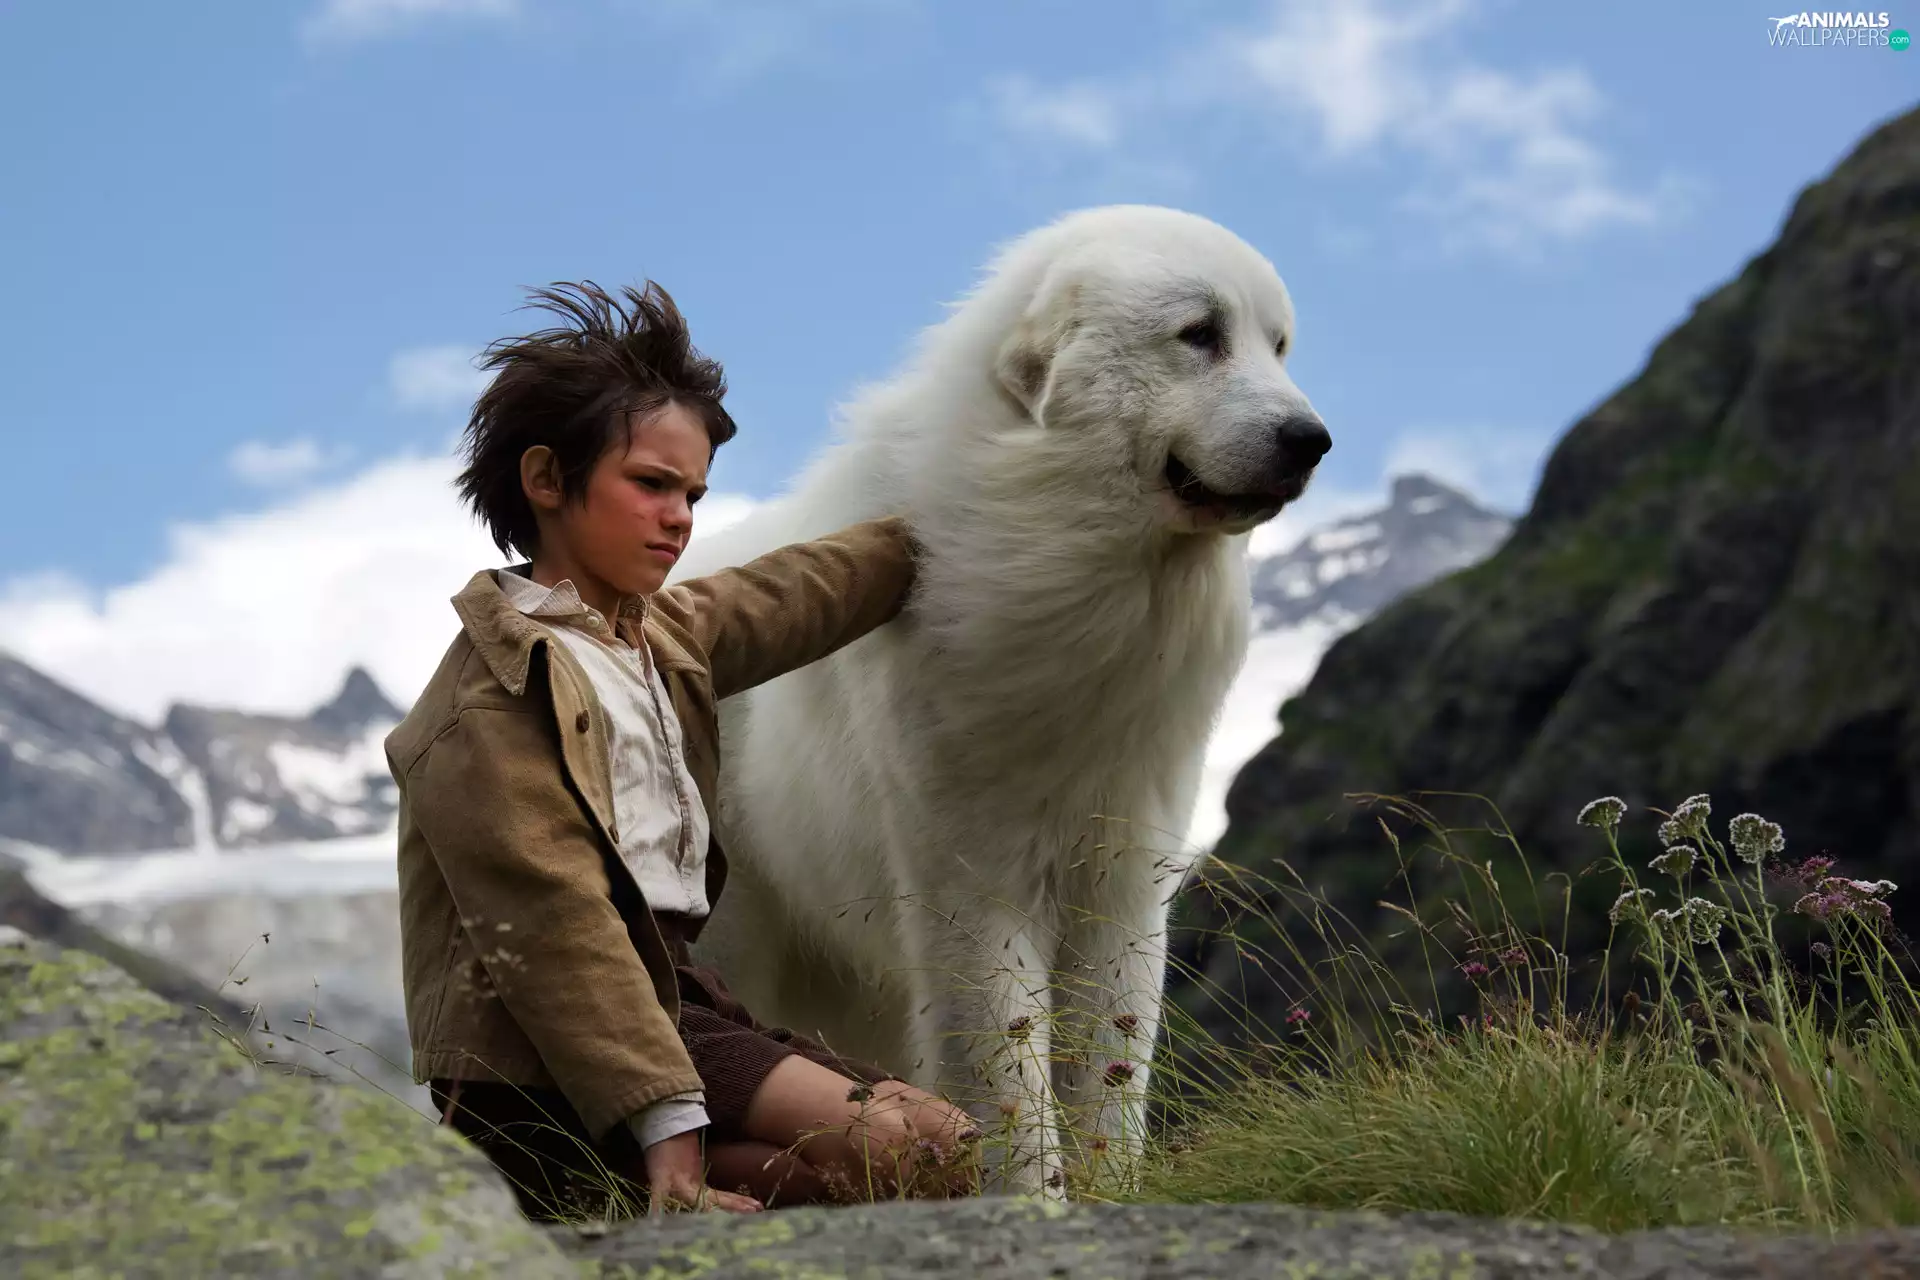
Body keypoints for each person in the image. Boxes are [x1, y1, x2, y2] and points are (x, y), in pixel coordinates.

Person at [385, 280, 978, 1220]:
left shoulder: (653, 639)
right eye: (652, 485)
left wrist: (951, 521)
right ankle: (611, 1194)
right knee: (899, 1156)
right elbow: (557, 936)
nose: (681, 518)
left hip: (678, 1012)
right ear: (546, 481)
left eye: (694, 494)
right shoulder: (481, 710)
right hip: (544, 1074)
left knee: (936, 1151)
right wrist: (669, 1137)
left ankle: (640, 1195)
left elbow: (794, 592)